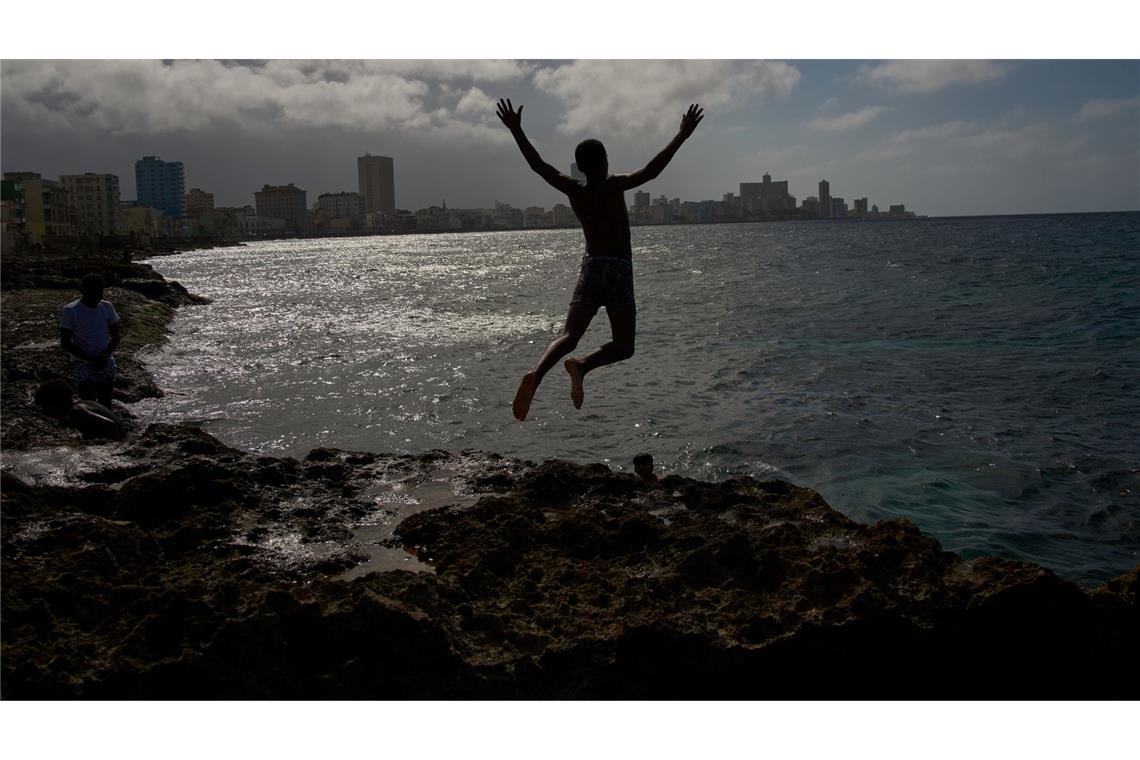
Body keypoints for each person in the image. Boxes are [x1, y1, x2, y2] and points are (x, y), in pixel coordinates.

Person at [496, 98, 704, 421]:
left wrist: (516, 131)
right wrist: (682, 135)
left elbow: (538, 166)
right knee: (624, 345)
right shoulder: (614, 186)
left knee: (568, 336)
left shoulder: (574, 190)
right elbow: (652, 171)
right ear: (605, 162)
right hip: (618, 268)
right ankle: (582, 365)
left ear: (580, 167)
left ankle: (536, 374)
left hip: (591, 267)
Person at [60, 272, 121, 407]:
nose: (97, 295)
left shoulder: (107, 307)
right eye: (92, 291)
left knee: (106, 401)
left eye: (100, 291)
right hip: (82, 361)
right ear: (83, 290)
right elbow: (65, 342)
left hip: (105, 359)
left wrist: (104, 355)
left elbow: (116, 337)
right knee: (89, 402)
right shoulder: (71, 310)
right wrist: (90, 359)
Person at [34, 378, 126, 440]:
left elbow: (111, 425)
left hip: (120, 438)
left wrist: (116, 449)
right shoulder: (84, 402)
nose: (46, 411)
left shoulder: (76, 411)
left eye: (46, 406)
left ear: (56, 402)